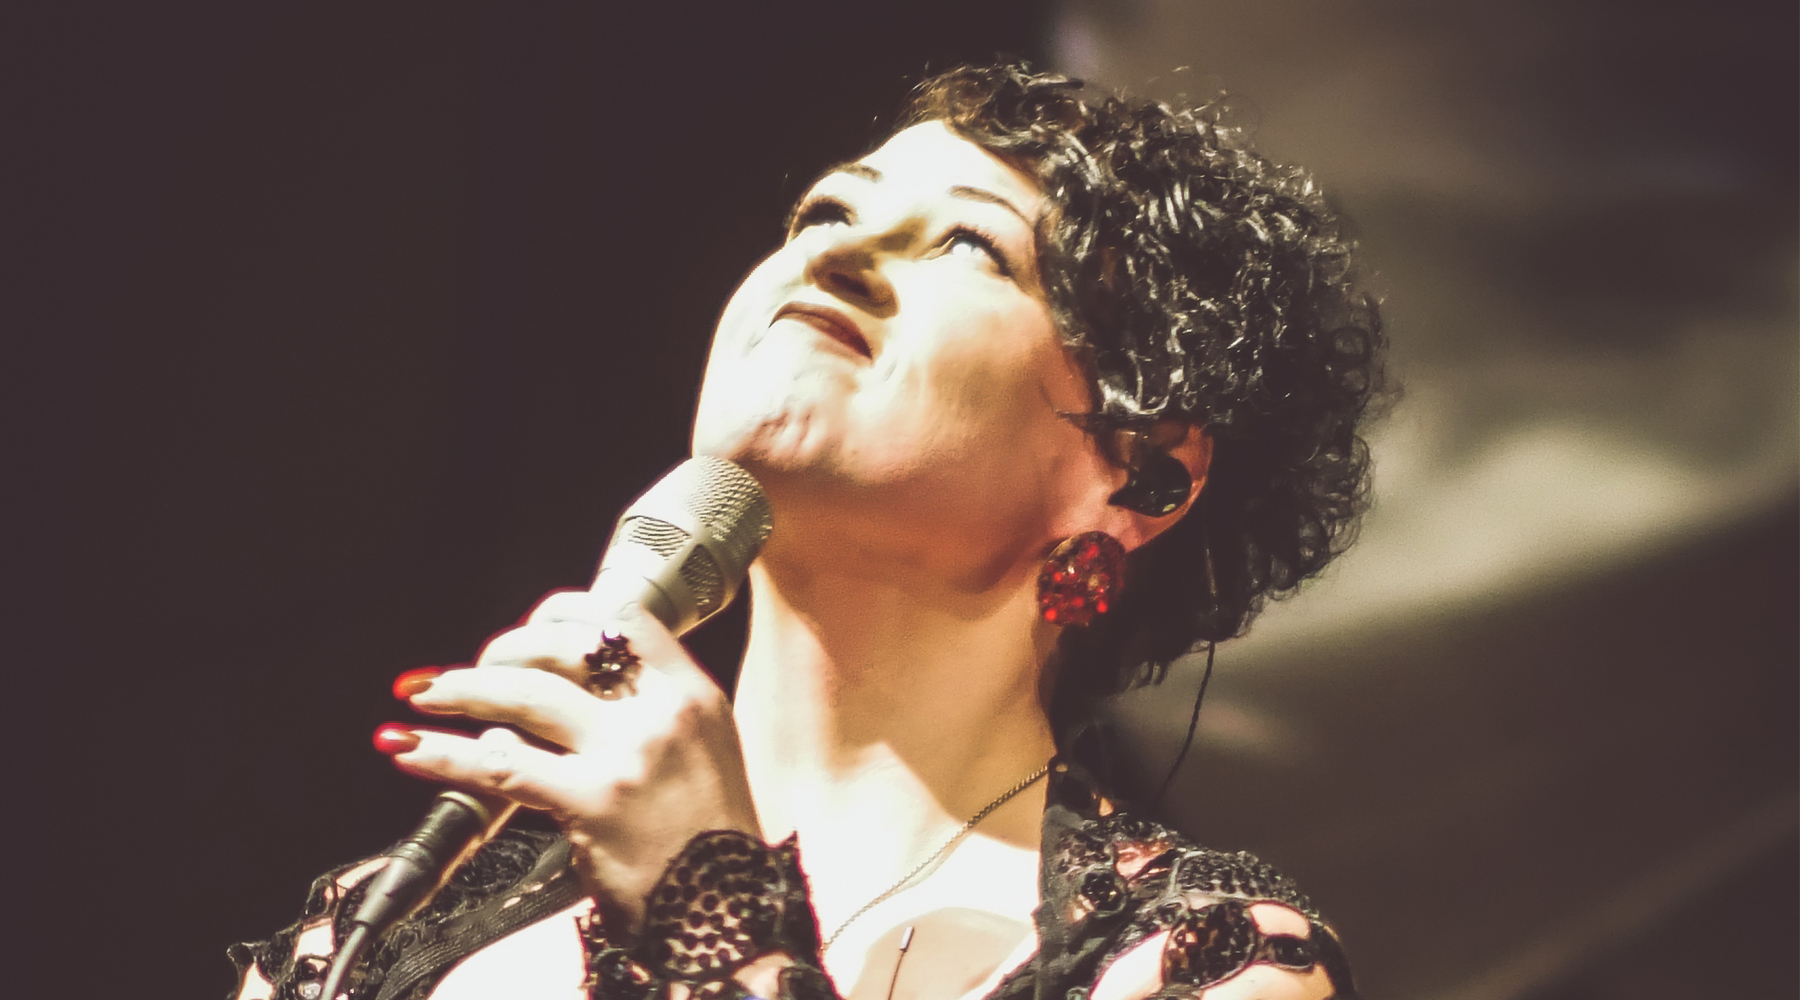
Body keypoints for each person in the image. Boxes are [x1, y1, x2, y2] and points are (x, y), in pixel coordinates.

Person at [230, 63, 1384, 1000]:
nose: (835, 254)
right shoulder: (381, 932)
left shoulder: (1197, 965)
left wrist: (713, 916)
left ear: (1140, 475)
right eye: (828, 211)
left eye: (969, 245)